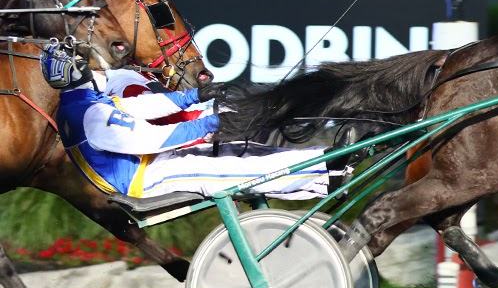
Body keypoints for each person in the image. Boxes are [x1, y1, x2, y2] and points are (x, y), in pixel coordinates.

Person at [41, 39, 330, 200]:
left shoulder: (84, 104)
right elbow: (148, 138)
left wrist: (195, 96)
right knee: (233, 167)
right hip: (144, 178)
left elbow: (142, 107)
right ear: (78, 72)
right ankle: (321, 173)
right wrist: (209, 124)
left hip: (150, 166)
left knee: (234, 150)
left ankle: (322, 164)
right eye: (80, 61)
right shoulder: (91, 114)